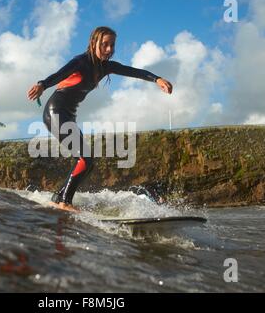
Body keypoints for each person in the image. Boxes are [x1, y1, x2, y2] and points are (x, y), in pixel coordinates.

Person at [27, 26, 172, 212]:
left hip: (69, 115)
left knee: (89, 161)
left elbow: (133, 71)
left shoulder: (106, 67)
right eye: (105, 44)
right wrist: (43, 84)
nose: (109, 49)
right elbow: (60, 74)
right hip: (55, 112)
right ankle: (65, 202)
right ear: (93, 42)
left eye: (112, 45)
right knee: (85, 158)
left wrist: (157, 79)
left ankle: (59, 198)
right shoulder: (80, 61)